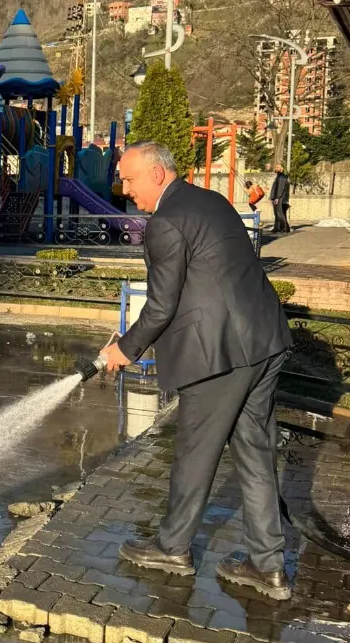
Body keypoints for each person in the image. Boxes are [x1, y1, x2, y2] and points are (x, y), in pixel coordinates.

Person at [99, 142, 293, 600]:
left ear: (158, 174)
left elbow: (162, 304)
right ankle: (268, 569)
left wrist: (124, 349)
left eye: (129, 179)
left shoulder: (164, 222)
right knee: (255, 452)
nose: (125, 190)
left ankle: (172, 547)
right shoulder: (210, 200)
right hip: (263, 340)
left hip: (219, 354)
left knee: (195, 452)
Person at [269, 164, 290, 233]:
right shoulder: (278, 177)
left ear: (282, 168)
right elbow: (275, 188)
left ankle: (285, 228)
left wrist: (277, 198)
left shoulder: (282, 177)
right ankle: (277, 227)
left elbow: (280, 188)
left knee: (280, 213)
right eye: (276, 167)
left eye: (278, 167)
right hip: (276, 197)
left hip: (279, 198)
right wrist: (271, 197)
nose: (276, 168)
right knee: (276, 213)